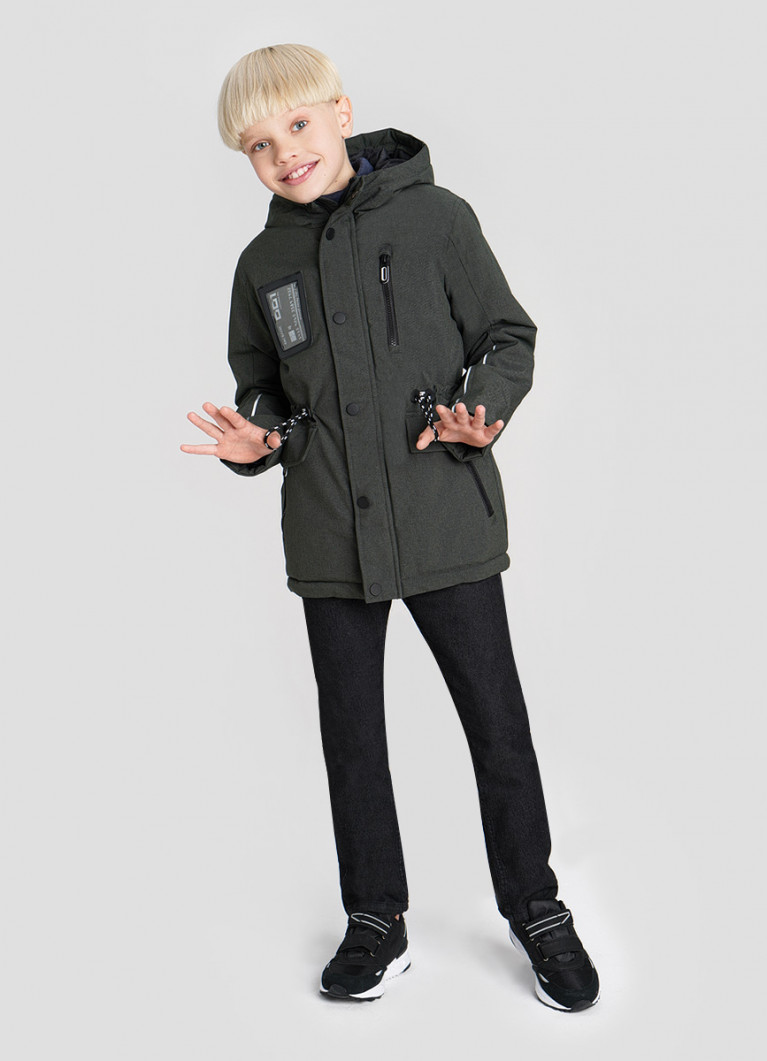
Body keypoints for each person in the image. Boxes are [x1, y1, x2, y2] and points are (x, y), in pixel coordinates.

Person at [181, 43, 600, 1011]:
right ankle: (375, 914)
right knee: (351, 735)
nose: (283, 153)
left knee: (495, 723)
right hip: (330, 529)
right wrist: (258, 438)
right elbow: (262, 384)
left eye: (296, 125)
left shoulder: (436, 219)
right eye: (257, 145)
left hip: (443, 513)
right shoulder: (261, 265)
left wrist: (481, 410)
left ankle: (534, 905)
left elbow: (507, 335)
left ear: (340, 113)